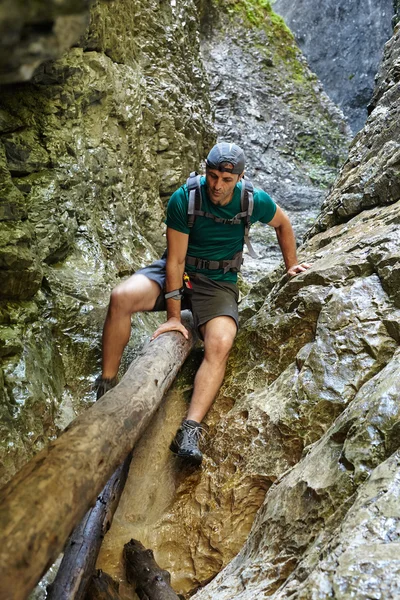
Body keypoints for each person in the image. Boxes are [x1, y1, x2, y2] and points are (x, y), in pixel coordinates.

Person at [95, 142, 311, 465]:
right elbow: (175, 261)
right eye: (212, 176)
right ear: (205, 170)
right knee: (120, 298)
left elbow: (283, 224)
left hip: (219, 283)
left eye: (226, 180)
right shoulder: (185, 198)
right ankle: (106, 384)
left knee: (221, 341)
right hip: (179, 271)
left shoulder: (253, 201)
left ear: (240, 177)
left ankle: (190, 430)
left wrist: (291, 264)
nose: (217, 186)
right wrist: (173, 316)